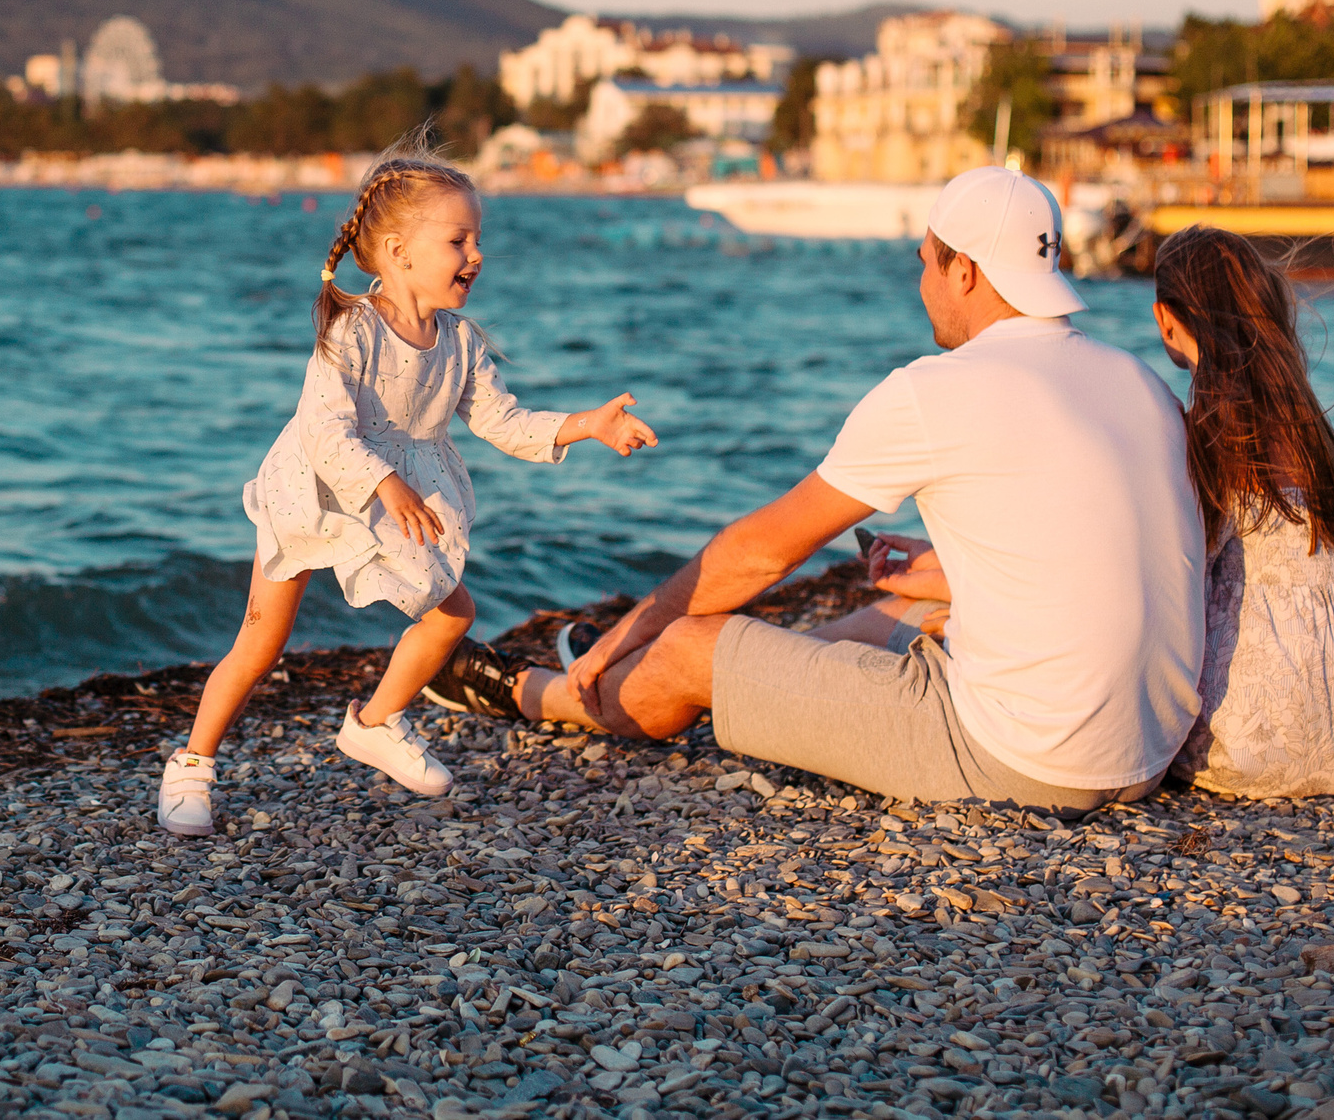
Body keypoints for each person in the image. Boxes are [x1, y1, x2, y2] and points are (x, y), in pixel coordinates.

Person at [429, 166, 1208, 814]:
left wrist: (625, 632)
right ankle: (768, 678)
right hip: (1147, 747)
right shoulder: (1136, 380)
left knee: (689, 646)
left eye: (925, 261)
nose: (921, 281)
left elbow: (759, 553)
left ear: (964, 270)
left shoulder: (940, 388)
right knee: (903, 613)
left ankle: (551, 691)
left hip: (1025, 759)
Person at [157, 140, 659, 836]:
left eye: (477, 239)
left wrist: (587, 425)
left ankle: (376, 721)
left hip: (398, 499)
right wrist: (387, 483)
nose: (476, 254)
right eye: (458, 240)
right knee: (261, 640)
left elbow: (503, 421)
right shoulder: (353, 331)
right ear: (398, 252)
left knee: (452, 614)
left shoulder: (460, 341)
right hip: (318, 489)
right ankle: (191, 764)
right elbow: (325, 430)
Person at [1150, 225, 1334, 796]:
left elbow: (1182, 569)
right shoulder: (1305, 421)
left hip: (1256, 746)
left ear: (1165, 318)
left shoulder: (1207, 429)